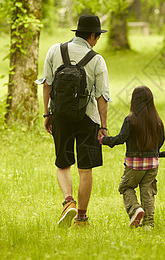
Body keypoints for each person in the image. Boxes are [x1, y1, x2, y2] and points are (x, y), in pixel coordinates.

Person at [36, 15, 111, 228]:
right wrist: (103, 126)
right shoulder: (97, 60)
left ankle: (68, 201)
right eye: (97, 37)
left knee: (63, 163)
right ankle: (81, 217)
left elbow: (47, 85)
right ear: (92, 36)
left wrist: (47, 114)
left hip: (60, 116)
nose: (97, 41)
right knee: (85, 169)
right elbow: (102, 97)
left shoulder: (54, 51)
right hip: (88, 119)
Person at [100, 86, 164, 228]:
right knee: (147, 192)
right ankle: (148, 223)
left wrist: (104, 140)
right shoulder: (157, 120)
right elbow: (161, 140)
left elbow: (121, 138)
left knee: (126, 187)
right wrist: (153, 152)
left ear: (134, 101)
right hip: (152, 163)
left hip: (134, 164)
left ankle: (135, 209)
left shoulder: (131, 120)